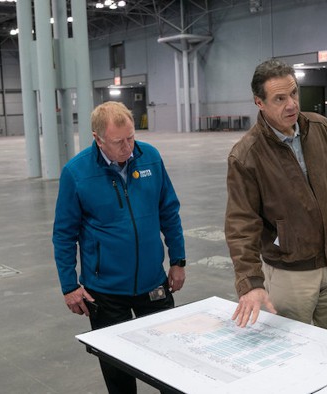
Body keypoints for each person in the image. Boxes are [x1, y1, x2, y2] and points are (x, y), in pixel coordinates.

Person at [52, 101, 186, 393]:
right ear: (98, 139)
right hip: (105, 292)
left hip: (153, 282)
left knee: (173, 364)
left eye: (131, 138)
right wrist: (69, 285)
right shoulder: (76, 173)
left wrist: (178, 259)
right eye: (118, 142)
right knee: (118, 375)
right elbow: (64, 234)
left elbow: (169, 211)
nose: (128, 148)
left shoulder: (149, 157)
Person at [226, 59, 327, 333]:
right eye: (279, 98)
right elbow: (241, 225)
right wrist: (250, 282)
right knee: (293, 356)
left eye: (294, 93)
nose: (291, 104)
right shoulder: (246, 155)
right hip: (291, 274)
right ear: (259, 103)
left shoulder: (323, 129)